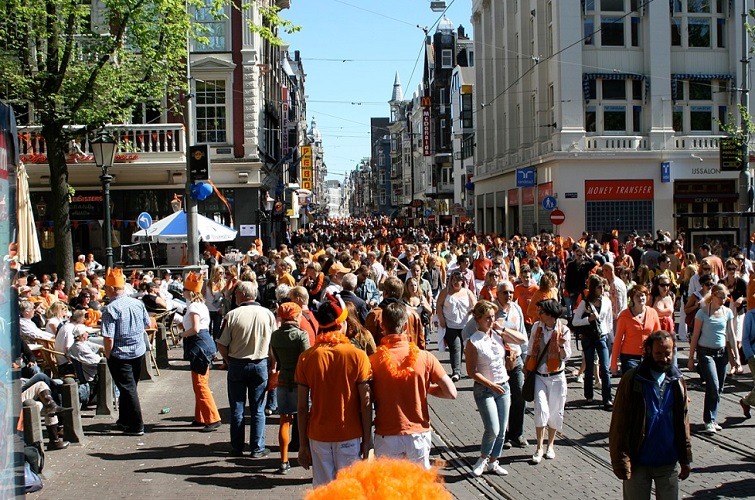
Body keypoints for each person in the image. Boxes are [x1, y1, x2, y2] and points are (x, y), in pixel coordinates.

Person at [295, 294, 372, 487]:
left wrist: (303, 444)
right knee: (348, 490)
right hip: (349, 433)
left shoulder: (306, 357)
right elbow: (366, 403)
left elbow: (302, 407)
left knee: (323, 489)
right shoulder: (358, 356)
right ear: (341, 324)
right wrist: (367, 439)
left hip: (318, 435)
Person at [369, 302, 456, 469]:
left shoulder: (373, 361)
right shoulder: (425, 357)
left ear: (382, 326)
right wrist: (426, 388)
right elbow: (451, 392)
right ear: (406, 325)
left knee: (388, 489)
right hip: (418, 434)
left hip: (387, 434)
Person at [609, 330, 692, 500]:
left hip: (668, 462)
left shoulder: (677, 381)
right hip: (638, 463)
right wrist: (621, 461)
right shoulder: (632, 379)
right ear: (647, 351)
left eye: (667, 353)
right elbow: (619, 422)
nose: (664, 358)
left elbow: (683, 422)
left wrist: (685, 458)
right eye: (658, 354)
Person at [216, 280, 276, 457]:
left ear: (241, 295)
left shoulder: (232, 315)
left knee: (237, 407)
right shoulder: (268, 315)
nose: (234, 296)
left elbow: (221, 343)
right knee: (258, 408)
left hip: (237, 363)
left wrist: (227, 360)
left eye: (235, 294)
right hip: (260, 363)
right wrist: (273, 364)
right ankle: (257, 447)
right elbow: (273, 344)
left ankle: (237, 446)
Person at [466, 300, 526, 476]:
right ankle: (483, 459)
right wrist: (490, 384)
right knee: (492, 428)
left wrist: (503, 330)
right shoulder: (473, 341)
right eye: (487, 318)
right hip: (485, 389)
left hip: (503, 386)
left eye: (493, 317)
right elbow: (471, 371)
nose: (491, 321)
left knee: (501, 430)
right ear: (478, 319)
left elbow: (523, 340)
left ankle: (494, 461)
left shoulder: (498, 335)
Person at [101, 267, 151, 436]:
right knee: (129, 387)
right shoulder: (138, 303)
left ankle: (137, 424)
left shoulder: (110, 309)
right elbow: (147, 323)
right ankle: (124, 419)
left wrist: (108, 355)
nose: (106, 292)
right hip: (138, 350)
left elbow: (108, 338)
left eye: (107, 289)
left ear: (112, 289)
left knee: (128, 389)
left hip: (120, 353)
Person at [687, 284, 740, 434]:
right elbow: (695, 336)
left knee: (719, 388)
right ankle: (709, 420)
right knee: (713, 385)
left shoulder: (728, 312)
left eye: (725, 298)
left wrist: (736, 358)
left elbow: (731, 335)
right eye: (720, 297)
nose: (723, 300)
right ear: (713, 295)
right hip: (706, 353)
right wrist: (691, 358)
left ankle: (713, 418)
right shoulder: (702, 313)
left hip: (722, 354)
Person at [525, 299, 571, 464]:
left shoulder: (564, 330)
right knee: (541, 410)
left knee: (555, 412)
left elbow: (566, 356)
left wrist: (561, 346)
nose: (539, 314)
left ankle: (550, 445)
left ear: (550, 315)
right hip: (539, 376)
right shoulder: (537, 328)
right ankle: (539, 447)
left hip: (557, 377)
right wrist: (526, 370)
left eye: (542, 312)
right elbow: (530, 350)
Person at [269, 302, 310, 475]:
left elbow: (275, 358)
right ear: (296, 316)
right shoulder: (302, 335)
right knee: (306, 420)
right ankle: (308, 454)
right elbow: (306, 359)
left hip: (284, 381)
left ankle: (283, 460)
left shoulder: (275, 336)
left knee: (284, 422)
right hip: (300, 382)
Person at [179, 272, 222, 433]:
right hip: (204, 343)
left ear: (190, 292)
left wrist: (182, 334)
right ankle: (201, 417)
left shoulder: (193, 306)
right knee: (200, 382)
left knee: (200, 384)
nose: (182, 291)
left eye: (184, 289)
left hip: (199, 344)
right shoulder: (201, 305)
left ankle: (213, 418)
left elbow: (196, 328)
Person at [572, 275, 613, 409]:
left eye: (603, 286)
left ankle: (607, 398)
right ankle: (589, 395)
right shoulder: (585, 303)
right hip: (589, 337)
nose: (602, 289)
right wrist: (588, 319)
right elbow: (574, 321)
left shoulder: (607, 301)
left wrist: (611, 338)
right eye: (599, 287)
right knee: (589, 366)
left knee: (605, 368)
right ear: (593, 288)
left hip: (603, 336)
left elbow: (609, 321)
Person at [611, 286, 662, 376]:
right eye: (637, 296)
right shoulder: (624, 316)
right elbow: (618, 340)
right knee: (633, 384)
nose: (640, 298)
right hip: (629, 357)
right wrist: (613, 364)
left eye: (642, 295)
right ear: (632, 299)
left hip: (648, 356)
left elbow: (658, 337)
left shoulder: (653, 313)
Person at [436, 270, 477, 381]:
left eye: (458, 280)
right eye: (453, 280)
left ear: (462, 281)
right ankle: (456, 372)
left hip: (466, 326)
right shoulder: (446, 292)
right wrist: (441, 319)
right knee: (455, 347)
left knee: (466, 349)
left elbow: (475, 306)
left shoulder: (468, 292)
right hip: (450, 325)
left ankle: (471, 371)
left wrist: (472, 314)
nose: (455, 282)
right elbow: (438, 305)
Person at [365, 277, 425, 349]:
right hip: (409, 357)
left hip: (383, 358)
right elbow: (421, 342)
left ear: (385, 293)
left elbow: (367, 343)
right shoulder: (413, 314)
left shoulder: (375, 314)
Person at [741, 306, 755, 418]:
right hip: (753, 355)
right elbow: (745, 338)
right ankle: (746, 402)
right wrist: (750, 355)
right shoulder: (750, 315)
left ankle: (746, 401)